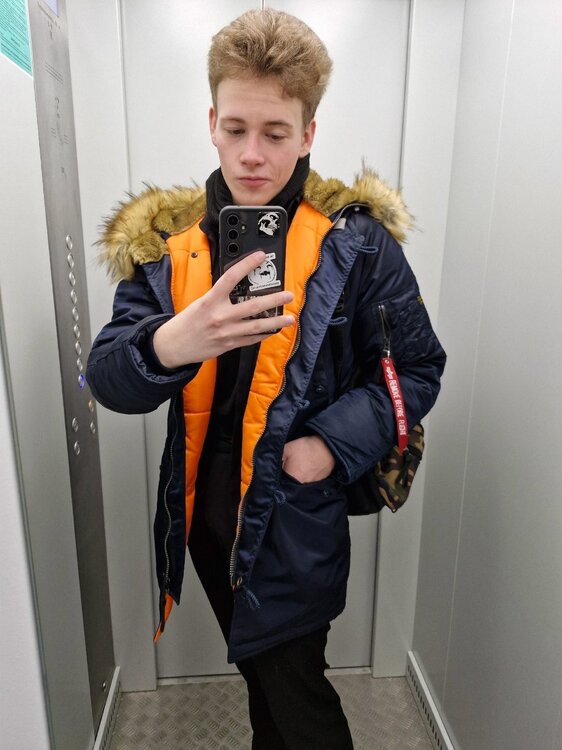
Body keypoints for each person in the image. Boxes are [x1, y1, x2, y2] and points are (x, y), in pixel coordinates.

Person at [87, 9, 446, 749]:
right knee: (268, 685)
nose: (253, 156)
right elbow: (109, 379)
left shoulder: (355, 242)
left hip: (296, 510)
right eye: (237, 129)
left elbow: (417, 370)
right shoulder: (168, 247)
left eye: (276, 134)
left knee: (298, 696)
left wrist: (326, 446)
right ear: (212, 123)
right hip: (204, 509)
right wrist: (174, 341)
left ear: (308, 133)